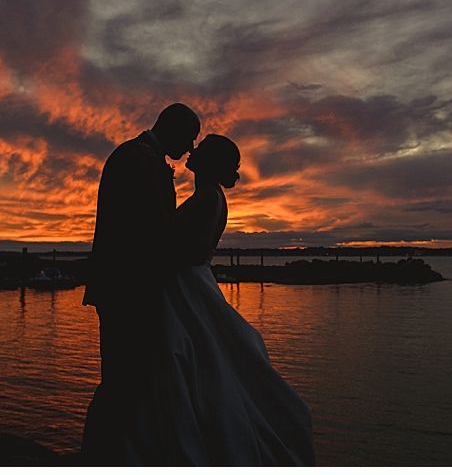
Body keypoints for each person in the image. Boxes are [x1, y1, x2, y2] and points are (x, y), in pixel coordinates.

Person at [107, 134, 316, 465]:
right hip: (190, 283)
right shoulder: (208, 196)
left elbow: (176, 248)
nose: (191, 150)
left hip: (185, 285)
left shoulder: (207, 198)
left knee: (184, 356)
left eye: (200, 148)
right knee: (200, 358)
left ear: (209, 161)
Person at [81, 102, 201, 465]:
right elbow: (150, 229)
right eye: (189, 139)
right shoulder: (137, 158)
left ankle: (113, 454)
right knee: (122, 380)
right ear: (172, 128)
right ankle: (100, 457)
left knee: (129, 378)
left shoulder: (138, 156)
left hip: (127, 286)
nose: (191, 149)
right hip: (127, 289)